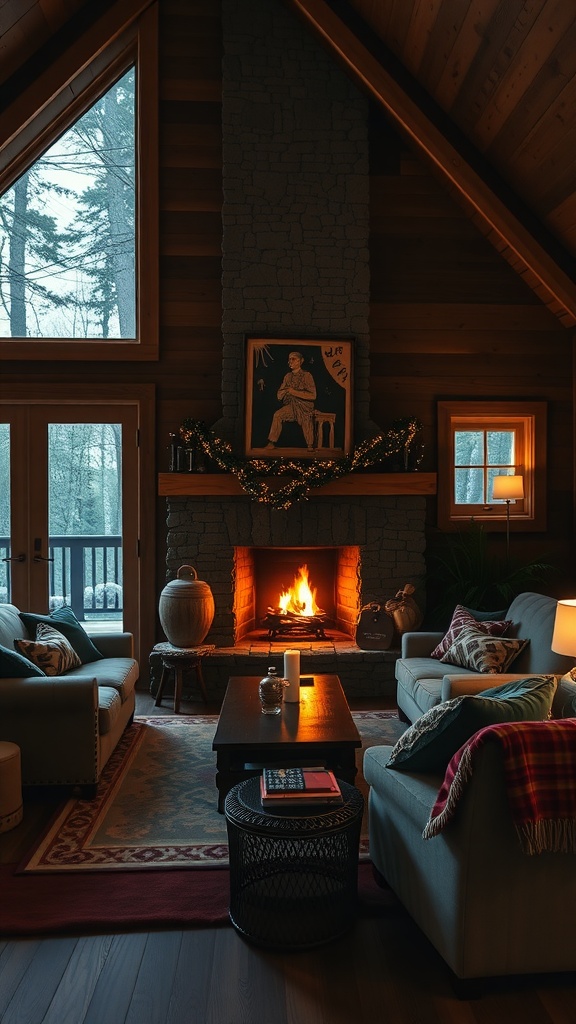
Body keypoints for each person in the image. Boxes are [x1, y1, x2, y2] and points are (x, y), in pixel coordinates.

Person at [266, 351, 317, 450]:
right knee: (278, 415)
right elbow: (279, 395)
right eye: (289, 359)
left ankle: (310, 445)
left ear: (300, 361)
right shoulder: (287, 376)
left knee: (306, 419)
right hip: (291, 407)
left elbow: (313, 396)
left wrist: (293, 392)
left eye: (293, 359)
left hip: (304, 407)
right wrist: (283, 393)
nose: (290, 362)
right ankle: (271, 442)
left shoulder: (307, 375)